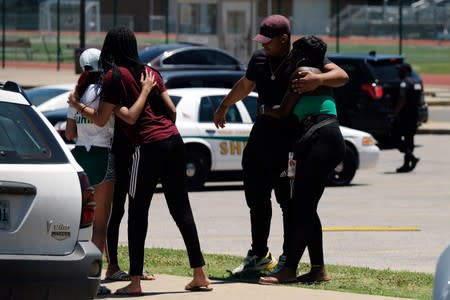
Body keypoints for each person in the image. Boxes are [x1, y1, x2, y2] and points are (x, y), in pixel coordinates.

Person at [68, 26, 211, 296]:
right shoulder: (152, 72)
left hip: (145, 147)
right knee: (182, 210)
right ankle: (199, 274)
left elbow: (106, 119)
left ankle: (134, 281)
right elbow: (171, 111)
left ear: (110, 48)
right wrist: (148, 95)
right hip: (174, 141)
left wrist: (77, 105)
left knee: (137, 213)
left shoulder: (113, 76)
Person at [213, 15, 349, 276]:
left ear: (284, 39)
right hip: (260, 138)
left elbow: (341, 76)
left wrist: (318, 80)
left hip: (289, 142)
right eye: (261, 41)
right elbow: (245, 84)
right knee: (256, 198)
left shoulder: (303, 59)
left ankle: (289, 258)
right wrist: (224, 105)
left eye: (268, 41)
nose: (263, 45)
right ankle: (259, 255)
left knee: (290, 203)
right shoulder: (259, 59)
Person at [255, 35, 346, 285]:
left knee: (301, 208)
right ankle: (318, 269)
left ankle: (289, 269)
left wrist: (263, 109)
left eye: (296, 50)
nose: (292, 54)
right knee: (306, 207)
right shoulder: (316, 71)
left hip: (321, 140)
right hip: (324, 140)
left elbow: (284, 111)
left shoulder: (303, 72)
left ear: (304, 55)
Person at [65, 48, 115, 295]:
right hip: (102, 154)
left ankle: (78, 272)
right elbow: (102, 120)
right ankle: (95, 279)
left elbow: (70, 133)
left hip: (80, 158)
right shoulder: (105, 91)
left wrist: (77, 109)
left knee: (82, 220)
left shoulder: (75, 94)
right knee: (100, 225)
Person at [392, 63, 420, 173]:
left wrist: (395, 112)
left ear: (406, 71)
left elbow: (402, 98)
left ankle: (410, 156)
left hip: (405, 116)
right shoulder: (416, 83)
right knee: (409, 139)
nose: (399, 72)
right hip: (414, 115)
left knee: (395, 137)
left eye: (401, 70)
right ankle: (407, 164)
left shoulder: (405, 83)